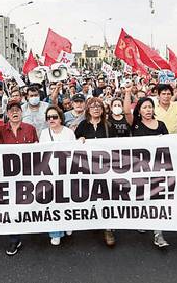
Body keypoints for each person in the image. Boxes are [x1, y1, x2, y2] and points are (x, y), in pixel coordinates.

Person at [0, 100, 38, 256]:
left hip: (27, 173)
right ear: (7, 114)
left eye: (17, 110)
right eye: (11, 110)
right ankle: (15, 239)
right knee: (11, 206)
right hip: (7, 175)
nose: (14, 112)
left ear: (21, 112)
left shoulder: (30, 129)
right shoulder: (1, 129)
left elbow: (38, 150)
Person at [122, 88, 170, 248]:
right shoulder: (135, 124)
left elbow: (170, 145)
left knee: (157, 200)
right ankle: (142, 220)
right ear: (139, 110)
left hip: (157, 169)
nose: (148, 110)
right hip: (139, 169)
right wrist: (128, 92)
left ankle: (159, 235)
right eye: (145, 107)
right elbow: (126, 112)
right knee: (142, 197)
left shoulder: (161, 125)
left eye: (150, 107)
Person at [75, 97, 118, 247]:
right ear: (88, 109)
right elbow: (74, 144)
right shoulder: (82, 125)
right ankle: (94, 221)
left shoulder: (109, 126)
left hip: (105, 168)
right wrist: (79, 139)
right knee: (91, 195)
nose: (96, 109)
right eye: (92, 107)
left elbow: (116, 146)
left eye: (99, 106)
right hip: (87, 168)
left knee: (106, 197)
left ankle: (108, 228)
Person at [39, 106, 76, 246]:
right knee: (52, 204)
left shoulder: (68, 133)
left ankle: (67, 224)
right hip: (50, 174)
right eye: (49, 117)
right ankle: (55, 233)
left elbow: (74, 152)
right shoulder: (43, 133)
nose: (52, 119)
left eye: (54, 116)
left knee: (66, 201)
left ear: (60, 118)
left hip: (66, 172)